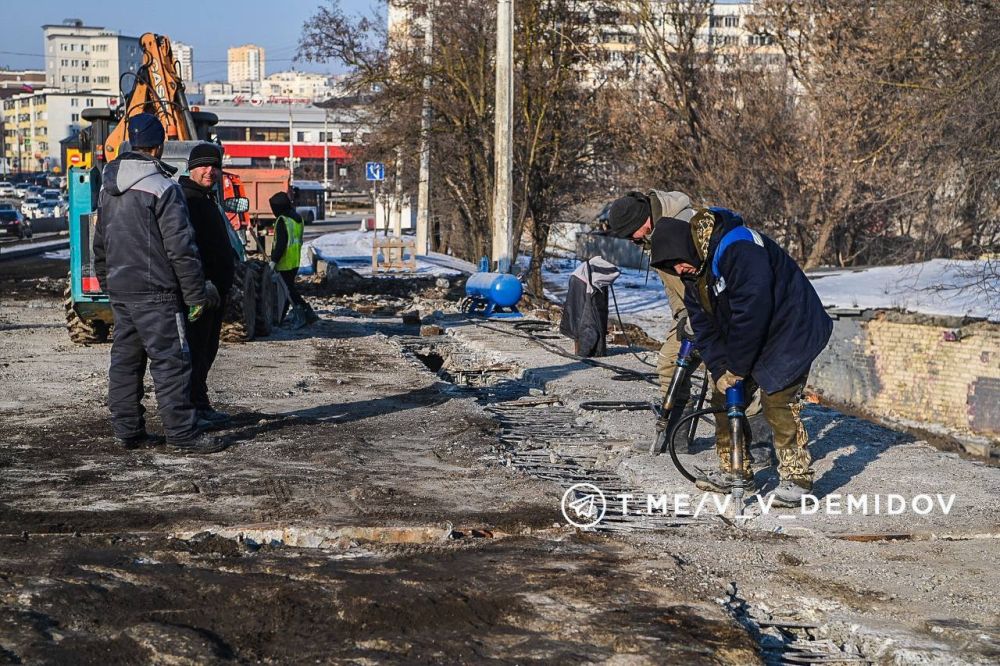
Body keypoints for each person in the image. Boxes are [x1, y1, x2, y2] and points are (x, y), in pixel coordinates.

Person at [650, 198, 832, 506]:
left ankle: (796, 477)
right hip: (753, 329)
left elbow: (752, 312)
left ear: (689, 247)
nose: (678, 269)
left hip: (791, 327)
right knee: (723, 397)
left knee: (777, 398)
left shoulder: (739, 248)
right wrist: (721, 370)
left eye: (677, 261)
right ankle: (736, 473)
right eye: (671, 268)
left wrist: (737, 367)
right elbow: (704, 328)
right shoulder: (694, 272)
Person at [92, 113, 225, 454]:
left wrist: (109, 283)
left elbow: (101, 243)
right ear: (160, 145)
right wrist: (196, 294)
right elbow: (181, 248)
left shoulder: (109, 189)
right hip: (157, 294)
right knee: (172, 363)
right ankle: (182, 434)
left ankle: (128, 431)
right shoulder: (163, 188)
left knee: (125, 361)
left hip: (123, 291)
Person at [606, 190, 698, 447]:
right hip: (690, 312)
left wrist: (701, 316)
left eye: (630, 235)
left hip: (717, 312)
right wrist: (681, 316)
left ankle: (752, 445)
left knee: (728, 376)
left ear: (642, 222)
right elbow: (674, 287)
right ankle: (676, 437)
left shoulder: (684, 226)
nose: (631, 242)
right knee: (669, 363)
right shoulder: (651, 237)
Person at [179, 142, 238, 426]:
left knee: (206, 351)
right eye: (203, 165)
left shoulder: (205, 197)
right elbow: (186, 248)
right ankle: (192, 409)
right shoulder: (187, 200)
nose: (210, 171)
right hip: (200, 291)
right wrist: (201, 284)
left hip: (214, 291)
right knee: (196, 351)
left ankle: (201, 404)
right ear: (191, 168)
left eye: (215, 166)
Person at [268, 191, 318, 325]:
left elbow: (281, 243)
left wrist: (273, 261)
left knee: (288, 291)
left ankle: (305, 312)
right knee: (287, 290)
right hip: (294, 261)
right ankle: (281, 318)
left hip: (284, 262)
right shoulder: (297, 218)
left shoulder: (282, 220)